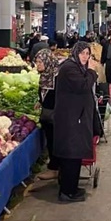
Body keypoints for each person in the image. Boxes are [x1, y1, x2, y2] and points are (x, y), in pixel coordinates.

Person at [53, 42, 101, 202]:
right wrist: (93, 72)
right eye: (82, 53)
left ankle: (72, 188)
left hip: (75, 118)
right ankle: (67, 192)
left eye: (87, 54)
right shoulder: (69, 68)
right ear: (75, 53)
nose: (85, 57)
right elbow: (83, 85)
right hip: (70, 120)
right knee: (70, 155)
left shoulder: (76, 68)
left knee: (75, 155)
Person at [34, 41, 61, 181]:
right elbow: (44, 93)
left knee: (55, 142)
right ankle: (54, 166)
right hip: (47, 116)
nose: (37, 64)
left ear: (47, 61)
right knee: (50, 142)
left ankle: (55, 169)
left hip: (55, 118)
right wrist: (40, 101)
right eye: (37, 62)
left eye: (40, 62)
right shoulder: (45, 76)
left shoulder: (57, 77)